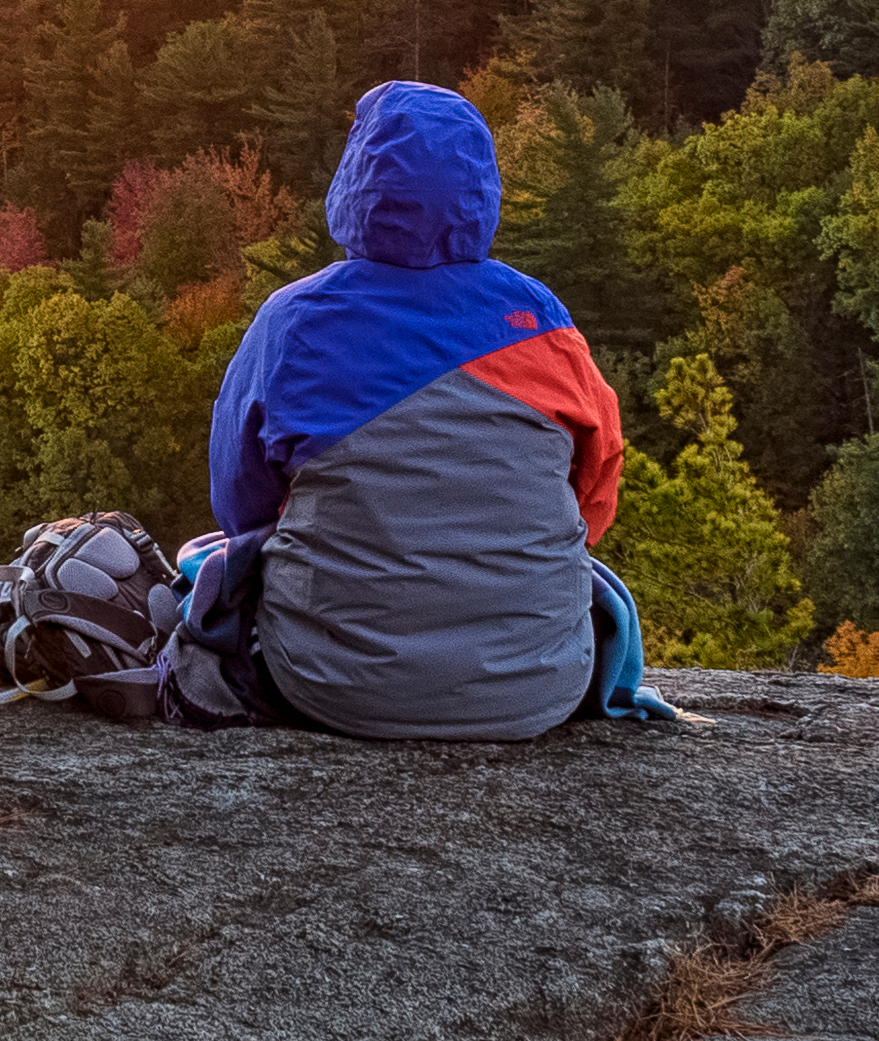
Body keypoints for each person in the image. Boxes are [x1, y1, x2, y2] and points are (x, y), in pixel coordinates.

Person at [202, 80, 625, 740]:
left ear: (356, 182)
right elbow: (595, 494)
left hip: (329, 684)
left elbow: (239, 505)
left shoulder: (294, 322)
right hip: (538, 687)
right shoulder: (543, 322)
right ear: (481, 190)